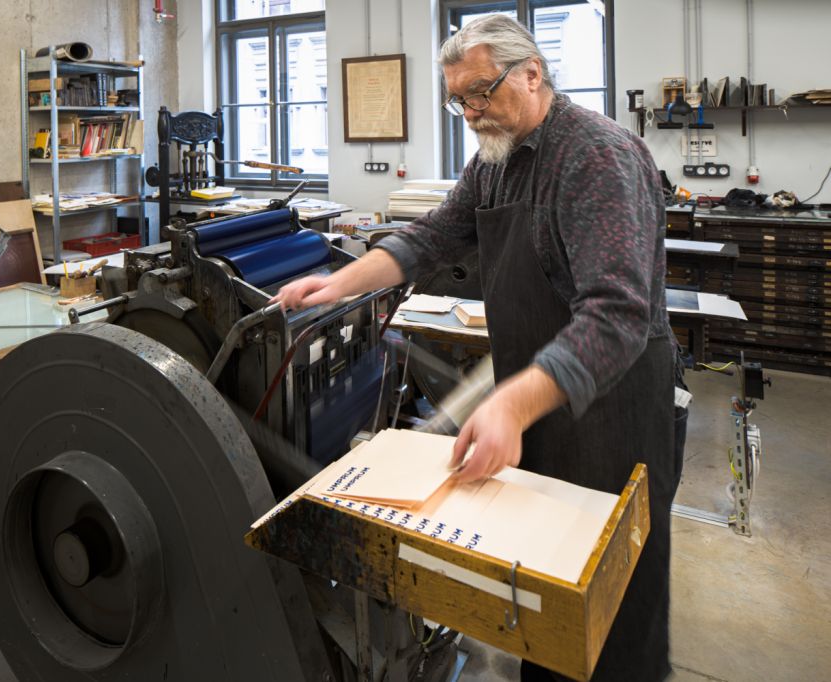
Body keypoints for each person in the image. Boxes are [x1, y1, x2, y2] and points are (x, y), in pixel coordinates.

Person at [272, 14, 685, 682]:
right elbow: (433, 236)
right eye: (457, 100)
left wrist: (510, 406)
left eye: (480, 93)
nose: (469, 112)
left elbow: (616, 316)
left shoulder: (594, 156)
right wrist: (338, 282)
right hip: (546, 409)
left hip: (614, 415)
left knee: (612, 621)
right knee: (545, 604)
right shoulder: (496, 160)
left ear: (531, 73)